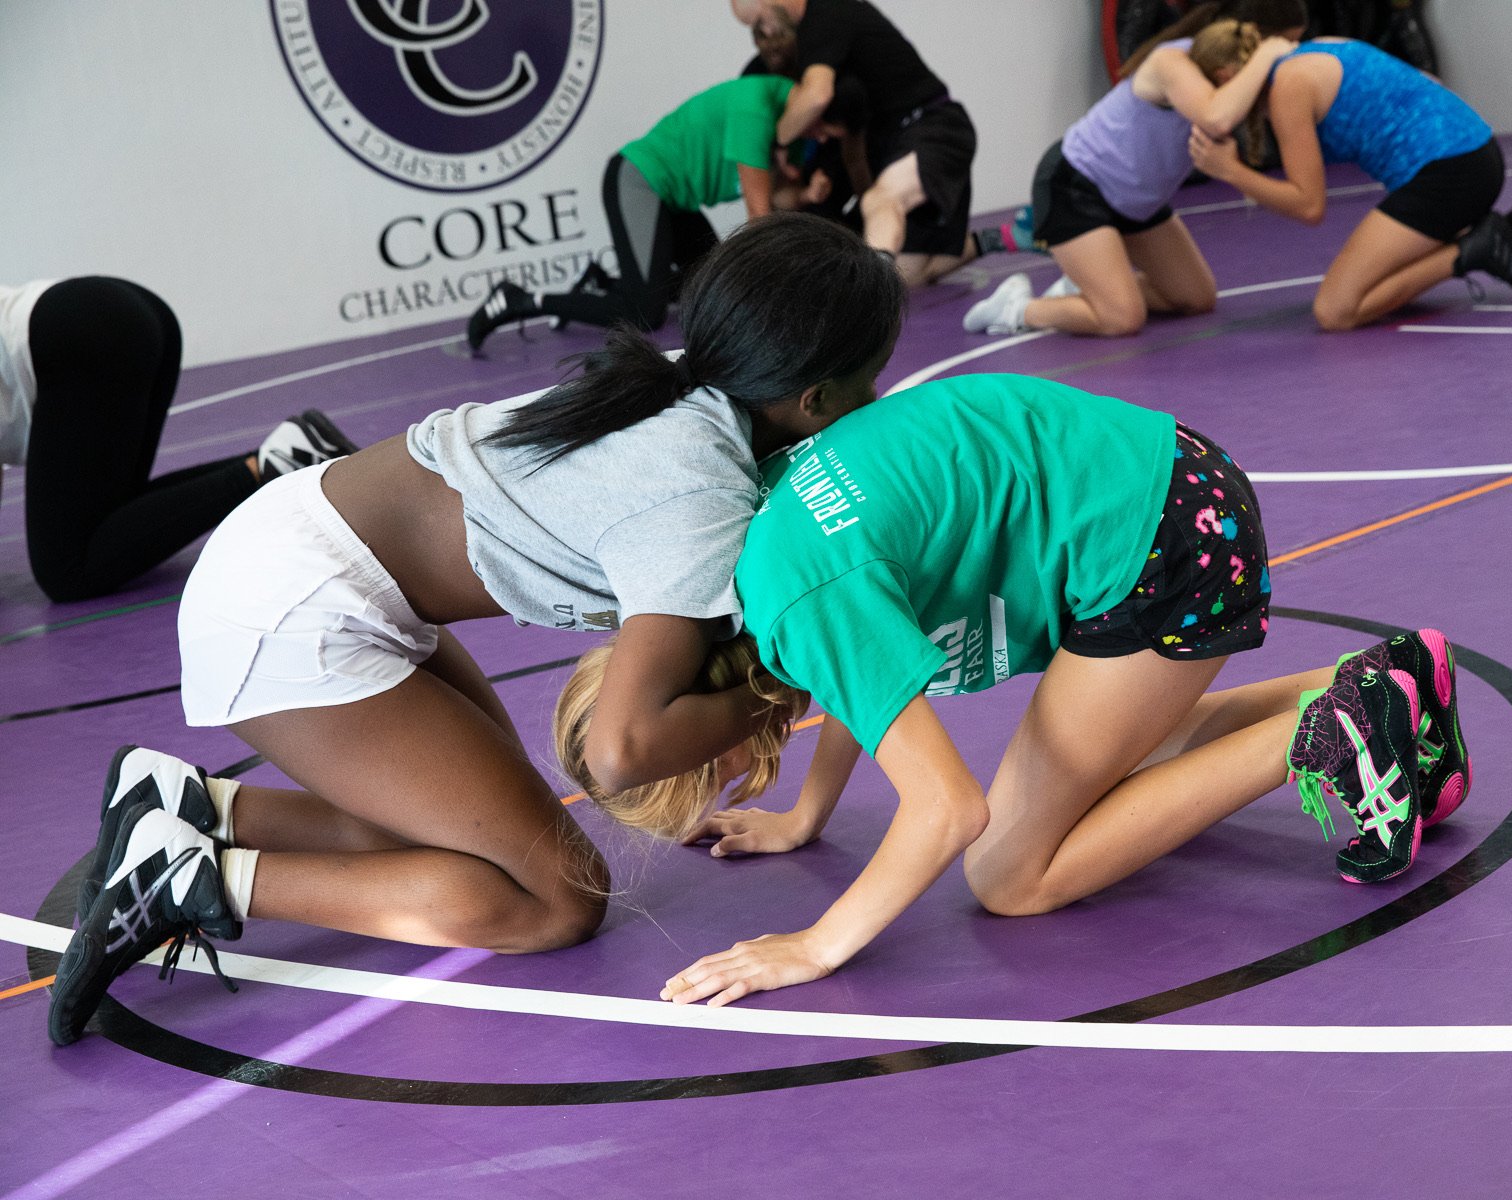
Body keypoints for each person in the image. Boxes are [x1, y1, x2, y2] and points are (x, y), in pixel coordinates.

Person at [47, 214, 908, 1045]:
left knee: (471, 835)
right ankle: (192, 880)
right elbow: (621, 750)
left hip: (310, 552)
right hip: (289, 612)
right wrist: (786, 688)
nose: (877, 401)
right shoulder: (697, 495)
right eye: (872, 379)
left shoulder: (695, 379)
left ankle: (190, 805)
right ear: (816, 395)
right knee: (557, 902)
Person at [558, 373, 1471, 1006]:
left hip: (1162, 548)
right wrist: (805, 816)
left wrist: (816, 945)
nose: (729, 782)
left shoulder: (800, 610)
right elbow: (863, 685)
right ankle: (1389, 676)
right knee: (1116, 774)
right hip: (1165, 480)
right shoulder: (744, 572)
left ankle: (1323, 727)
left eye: (710, 776)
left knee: (1009, 875)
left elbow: (948, 809)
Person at [1, 277, 355, 602]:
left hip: (82, 334)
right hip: (113, 311)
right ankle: (292, 456)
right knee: (110, 518)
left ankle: (276, 464)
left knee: (67, 570)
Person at [961, 5, 1303, 339]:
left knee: (1196, 299)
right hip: (1077, 187)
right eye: (1283, 49)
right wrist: (1266, 56)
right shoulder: (1173, 61)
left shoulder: (1228, 80)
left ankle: (1088, 290)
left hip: (1136, 202)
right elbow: (1215, 117)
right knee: (1121, 318)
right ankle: (1017, 309)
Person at [1185, 20, 1512, 330]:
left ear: (1225, 77)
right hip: (1471, 151)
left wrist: (1229, 171)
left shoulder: (1288, 87)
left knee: (1335, 310)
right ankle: (1488, 233)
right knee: (1369, 280)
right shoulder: (1314, 49)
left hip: (1451, 170)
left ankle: (1477, 247)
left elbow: (1309, 205)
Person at [466, 77, 865, 352]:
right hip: (640, 180)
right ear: (815, 106)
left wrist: (806, 193)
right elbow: (761, 218)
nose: (824, 139)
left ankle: (603, 284)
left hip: (677, 199)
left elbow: (779, 197)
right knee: (644, 314)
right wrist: (783, 306)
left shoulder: (791, 129)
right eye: (825, 128)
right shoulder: (755, 110)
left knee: (711, 286)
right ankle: (521, 299)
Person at [735, 0, 980, 287]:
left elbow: (816, 96)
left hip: (932, 126)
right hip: (892, 143)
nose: (763, 31)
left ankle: (870, 296)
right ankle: (998, 239)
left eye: (760, 19)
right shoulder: (791, 60)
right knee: (908, 275)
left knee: (882, 200)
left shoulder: (826, 14)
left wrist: (775, 141)